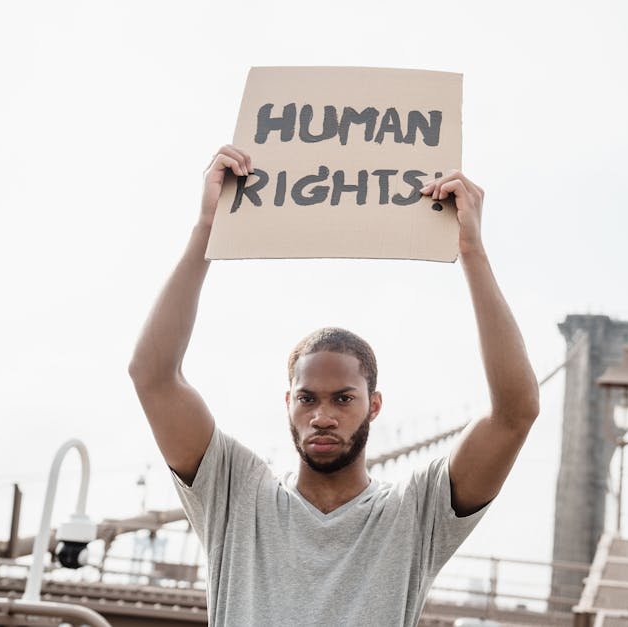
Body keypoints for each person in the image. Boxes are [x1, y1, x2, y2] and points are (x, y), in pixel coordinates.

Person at [128, 145, 540, 626]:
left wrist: (473, 251)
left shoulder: (414, 513)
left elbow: (515, 413)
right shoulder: (235, 493)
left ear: (374, 405)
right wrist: (207, 228)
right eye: (307, 399)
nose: (322, 415)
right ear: (289, 404)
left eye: (343, 398)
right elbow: (152, 376)